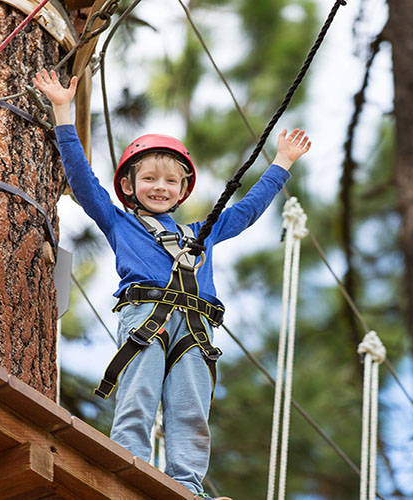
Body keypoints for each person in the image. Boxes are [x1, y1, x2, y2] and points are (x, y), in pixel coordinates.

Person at [33, 69, 311, 499]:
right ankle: (129, 468)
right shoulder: (120, 222)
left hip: (197, 329)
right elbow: (84, 182)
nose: (159, 187)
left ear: (182, 190)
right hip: (147, 315)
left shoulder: (203, 232)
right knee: (138, 397)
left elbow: (247, 210)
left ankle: (187, 487)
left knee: (190, 410)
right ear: (128, 185)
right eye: (149, 179)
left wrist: (281, 164)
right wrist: (62, 111)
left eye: (169, 181)